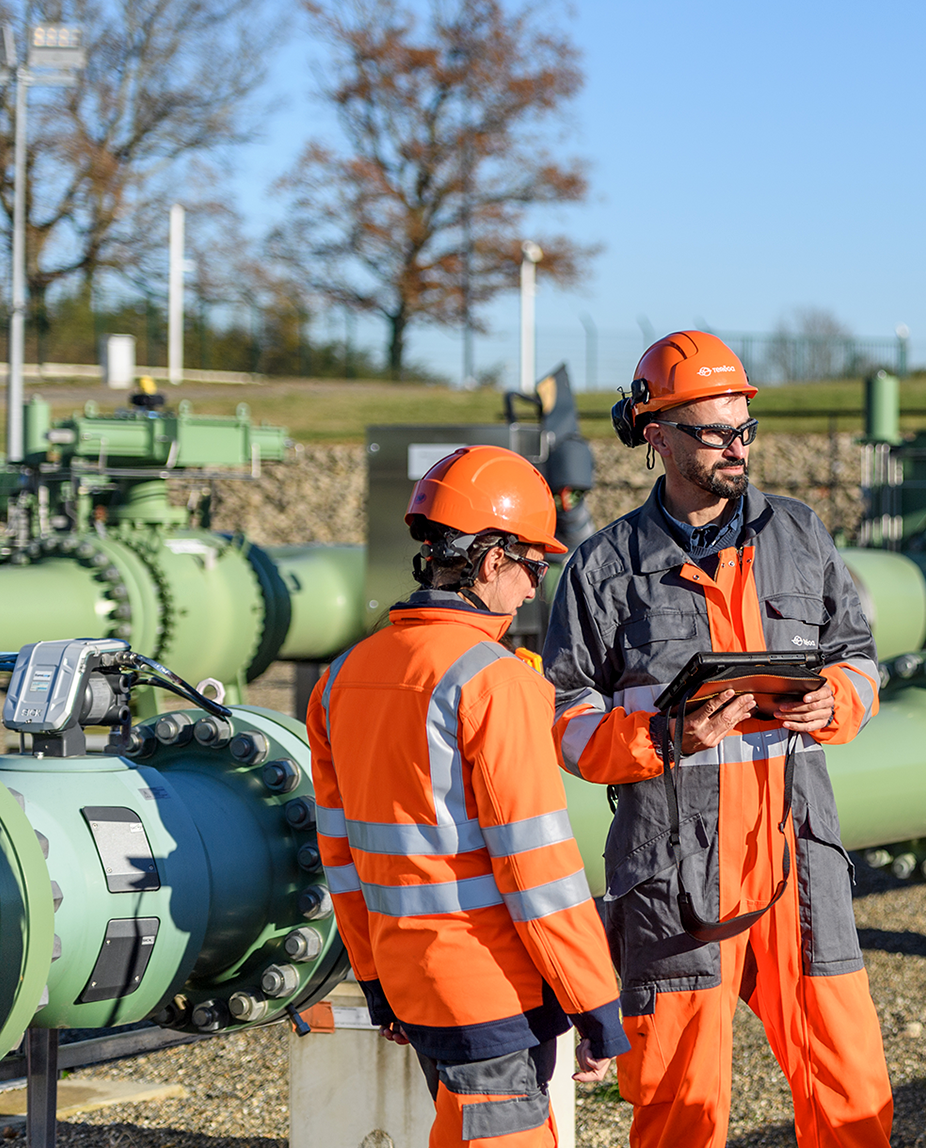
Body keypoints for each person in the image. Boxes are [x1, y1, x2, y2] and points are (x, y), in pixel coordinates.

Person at [543, 330, 891, 1148]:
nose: (738, 448)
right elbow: (565, 718)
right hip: (672, 870)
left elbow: (860, 660)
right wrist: (664, 735)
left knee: (851, 1090)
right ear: (656, 434)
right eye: (715, 431)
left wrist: (835, 700)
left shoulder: (800, 535)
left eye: (745, 429)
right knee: (676, 1101)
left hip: (799, 859)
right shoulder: (603, 569)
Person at [308, 445, 629, 1148]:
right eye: (533, 569)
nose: (529, 592)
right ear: (491, 562)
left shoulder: (340, 679)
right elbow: (539, 871)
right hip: (491, 995)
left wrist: (373, 978)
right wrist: (596, 1005)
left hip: (410, 987)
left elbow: (342, 858)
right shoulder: (495, 682)